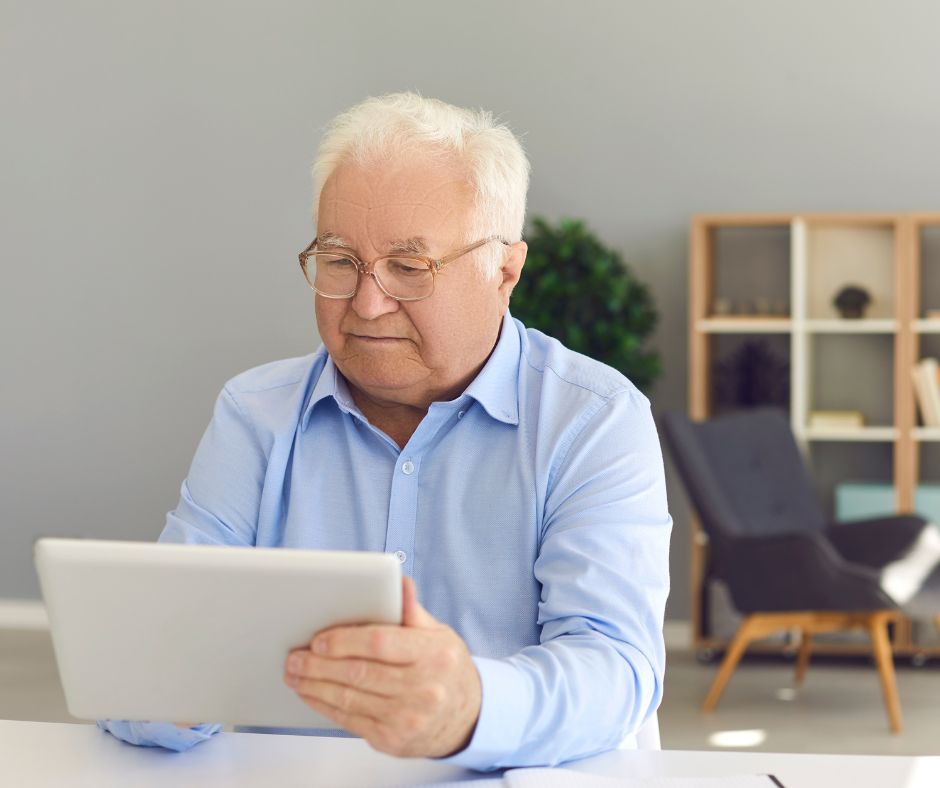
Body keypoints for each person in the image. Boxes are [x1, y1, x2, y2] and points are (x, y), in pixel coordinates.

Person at [97, 92, 672, 771]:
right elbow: (147, 655)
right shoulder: (255, 413)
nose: (368, 304)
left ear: (504, 272)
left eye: (409, 267)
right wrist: (162, 693)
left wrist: (470, 708)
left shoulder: (593, 418)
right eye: (339, 261)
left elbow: (615, 667)